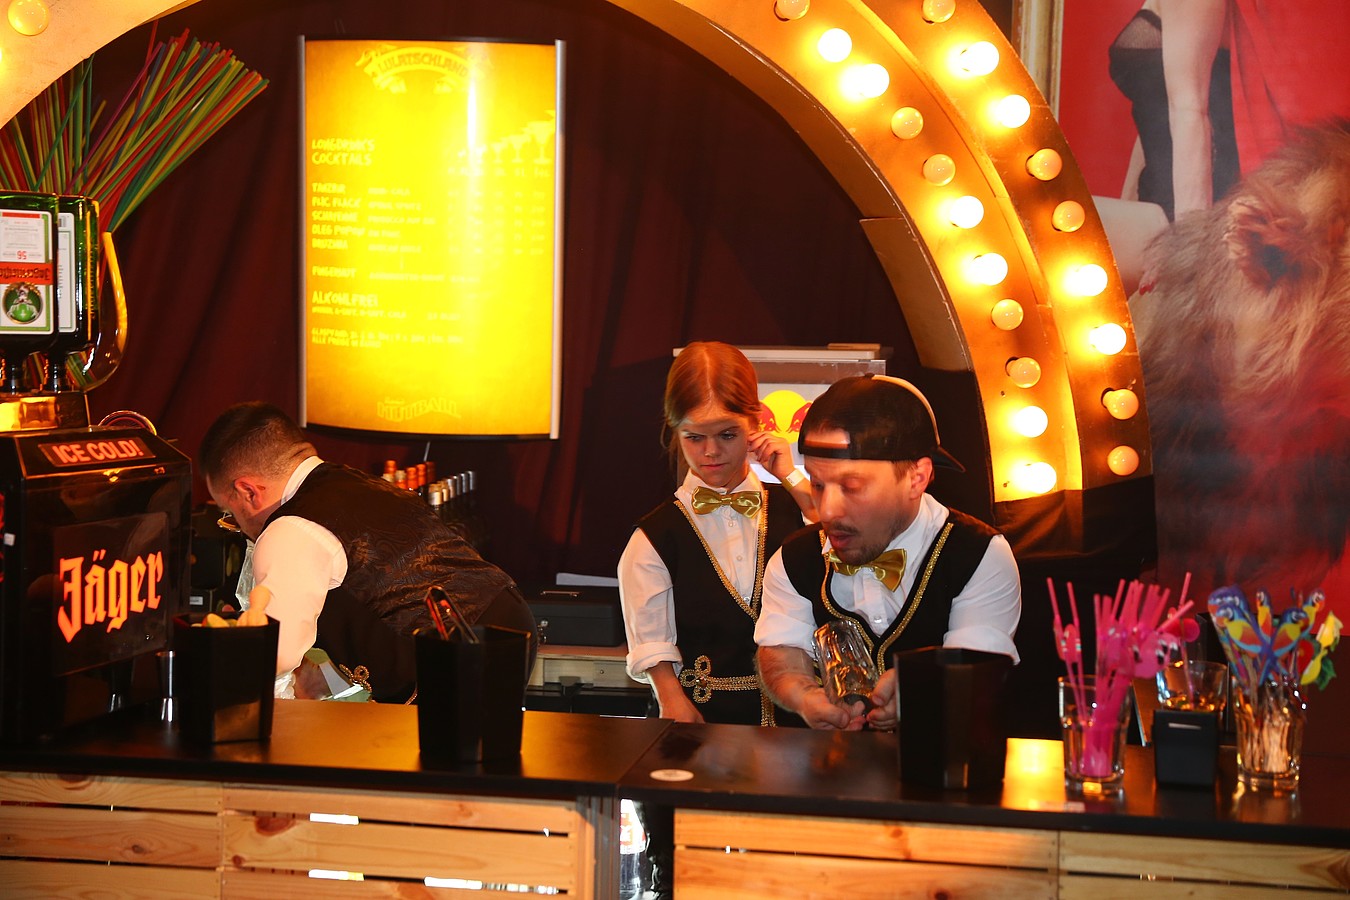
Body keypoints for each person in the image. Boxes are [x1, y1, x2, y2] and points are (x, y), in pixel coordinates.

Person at [198, 401, 537, 703]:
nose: (237, 525)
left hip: (455, 653)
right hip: (505, 620)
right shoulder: (352, 481)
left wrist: (216, 651)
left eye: (230, 512)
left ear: (248, 491)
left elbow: (277, 654)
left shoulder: (290, 529)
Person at [754, 375, 1021, 731]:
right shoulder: (793, 560)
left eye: (851, 486)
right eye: (817, 484)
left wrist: (922, 688)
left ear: (916, 478)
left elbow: (974, 668)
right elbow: (781, 648)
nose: (827, 510)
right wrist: (804, 697)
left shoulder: (979, 555)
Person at [619, 341, 817, 726]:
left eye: (727, 434)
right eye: (694, 437)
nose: (710, 451)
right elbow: (652, 640)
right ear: (676, 432)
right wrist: (671, 701)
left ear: (755, 425)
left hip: (803, 722)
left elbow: (845, 550)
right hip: (707, 725)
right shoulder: (654, 536)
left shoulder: (799, 509)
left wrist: (791, 477)